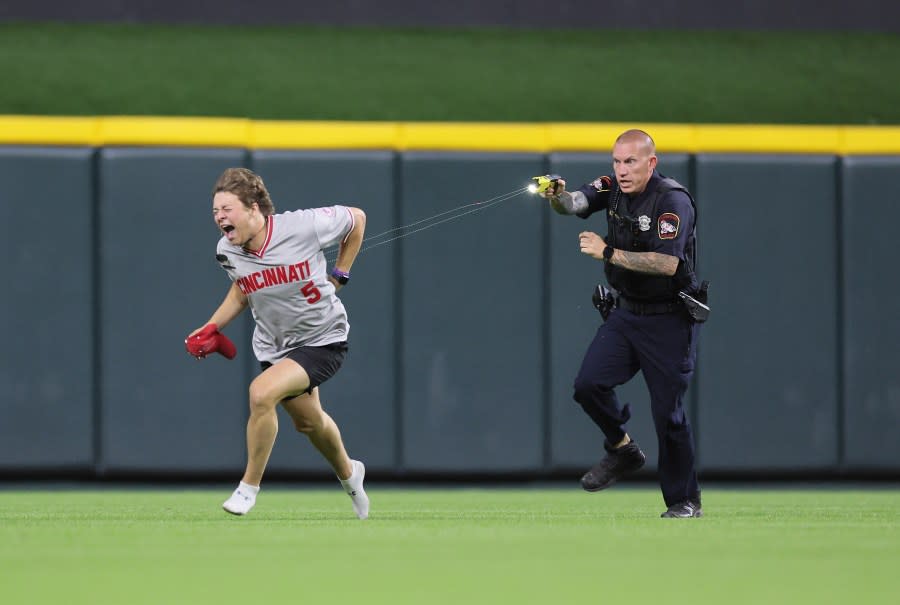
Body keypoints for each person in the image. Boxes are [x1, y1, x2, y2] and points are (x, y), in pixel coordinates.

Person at [186, 167, 369, 519]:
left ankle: (248, 488)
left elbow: (357, 220)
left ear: (254, 208)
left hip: (323, 338)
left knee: (261, 393)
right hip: (275, 347)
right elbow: (243, 289)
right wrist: (211, 326)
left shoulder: (303, 226)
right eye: (215, 212)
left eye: (227, 209)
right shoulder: (228, 249)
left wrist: (341, 273)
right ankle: (350, 474)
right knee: (309, 423)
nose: (219, 217)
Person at [540, 129, 704, 518]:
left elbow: (668, 264)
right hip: (628, 313)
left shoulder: (671, 201)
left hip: (669, 318)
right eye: (616, 161)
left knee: (669, 413)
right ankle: (622, 449)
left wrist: (607, 251)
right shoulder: (612, 188)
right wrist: (557, 195)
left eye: (630, 161)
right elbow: (575, 202)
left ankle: (684, 501)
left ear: (651, 163)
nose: (621, 169)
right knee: (588, 385)